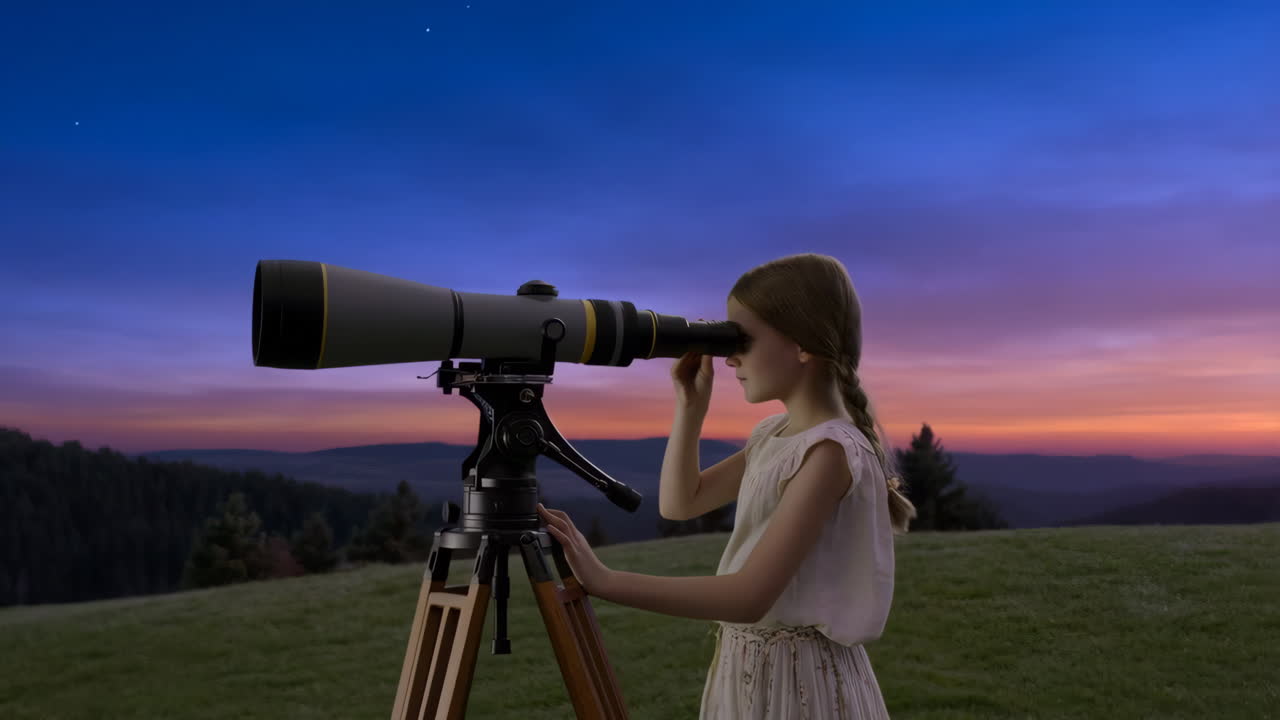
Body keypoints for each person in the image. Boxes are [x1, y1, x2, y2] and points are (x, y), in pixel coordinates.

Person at [537, 252, 916, 718]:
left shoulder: (830, 453)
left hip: (798, 690)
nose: (732, 356)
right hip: (754, 675)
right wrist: (690, 409)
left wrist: (608, 582)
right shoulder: (775, 435)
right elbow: (681, 503)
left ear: (801, 345)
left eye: (743, 339)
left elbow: (748, 596)